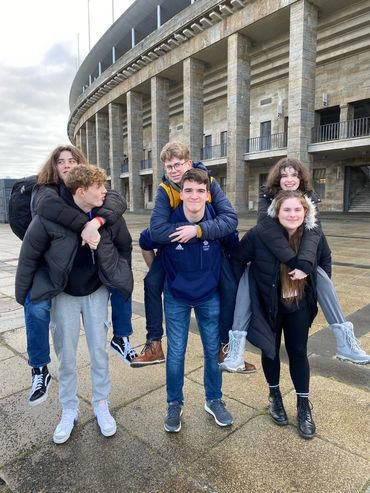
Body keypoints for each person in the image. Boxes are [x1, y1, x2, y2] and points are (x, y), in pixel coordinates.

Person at [15, 164, 133, 444]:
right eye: (99, 187)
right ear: (81, 192)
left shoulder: (107, 214)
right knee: (66, 357)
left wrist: (119, 271)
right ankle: (69, 409)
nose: (106, 191)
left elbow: (125, 246)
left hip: (95, 292)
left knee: (98, 353)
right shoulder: (49, 217)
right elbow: (29, 256)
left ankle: (101, 404)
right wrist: (24, 296)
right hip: (64, 295)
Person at [221, 157, 370, 371]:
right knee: (247, 280)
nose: (289, 179)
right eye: (284, 175)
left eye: (294, 174)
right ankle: (235, 352)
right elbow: (267, 232)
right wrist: (295, 262)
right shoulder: (267, 199)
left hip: (297, 276)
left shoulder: (309, 201)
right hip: (269, 267)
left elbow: (316, 239)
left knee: (320, 276)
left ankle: (345, 342)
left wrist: (309, 272)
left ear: (301, 178)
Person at [132, 140, 256, 374]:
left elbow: (229, 219)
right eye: (169, 166)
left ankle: (225, 347)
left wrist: (198, 231)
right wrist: (184, 232)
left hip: (210, 241)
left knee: (229, 287)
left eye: (178, 164)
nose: (174, 170)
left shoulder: (207, 181)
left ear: (188, 163)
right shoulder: (165, 189)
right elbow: (157, 231)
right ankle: (154, 343)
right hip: (174, 244)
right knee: (151, 282)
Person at [231, 190, 331, 438]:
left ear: (305, 211)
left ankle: (303, 404)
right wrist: (247, 291)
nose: (292, 214)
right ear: (277, 211)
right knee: (270, 350)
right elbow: (236, 260)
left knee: (298, 352)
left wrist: (315, 288)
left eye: (297, 209)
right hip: (268, 306)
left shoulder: (311, 235)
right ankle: (274, 395)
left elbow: (325, 260)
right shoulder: (259, 235)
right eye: (287, 209)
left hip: (298, 304)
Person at [141, 169, 234, 432]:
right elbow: (145, 241)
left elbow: (234, 243)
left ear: (208, 195)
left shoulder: (217, 224)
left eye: (200, 191)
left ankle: (214, 400)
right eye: (189, 190)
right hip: (176, 296)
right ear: (180, 194)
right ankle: (174, 404)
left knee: (212, 351)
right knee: (176, 353)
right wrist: (156, 270)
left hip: (209, 296)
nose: (194, 196)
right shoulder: (167, 225)